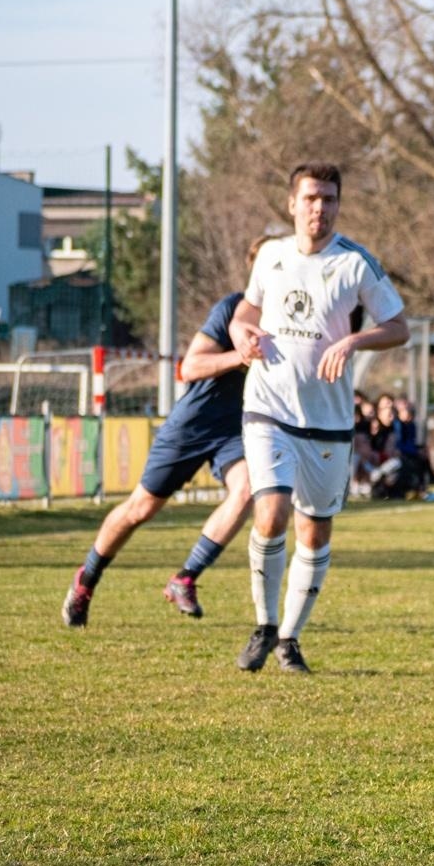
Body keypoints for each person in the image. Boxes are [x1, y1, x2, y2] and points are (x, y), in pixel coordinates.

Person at [229, 162, 409, 673]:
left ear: (338, 205)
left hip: (327, 420)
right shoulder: (271, 255)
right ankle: (264, 625)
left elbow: (398, 327)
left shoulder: (355, 263)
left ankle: (289, 639)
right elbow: (246, 311)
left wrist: (353, 341)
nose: (319, 208)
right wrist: (241, 333)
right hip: (267, 406)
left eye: (328, 199)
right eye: (310, 198)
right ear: (292, 204)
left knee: (314, 532)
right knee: (271, 512)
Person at [61, 239, 267, 626]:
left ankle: (185, 578)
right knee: (141, 508)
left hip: (238, 430)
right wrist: (239, 356)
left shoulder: (292, 318)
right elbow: (190, 367)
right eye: (268, 264)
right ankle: (86, 580)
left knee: (247, 489)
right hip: (194, 424)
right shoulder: (232, 309)